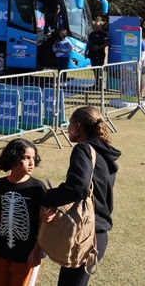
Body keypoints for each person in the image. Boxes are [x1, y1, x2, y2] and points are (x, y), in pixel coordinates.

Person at [41, 105, 121, 285]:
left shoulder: (83, 149)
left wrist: (48, 197)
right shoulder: (104, 152)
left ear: (77, 126)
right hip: (98, 234)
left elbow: (78, 187)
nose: (68, 128)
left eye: (69, 124)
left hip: (86, 234)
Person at [0, 139, 45, 286]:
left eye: (33, 158)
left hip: (27, 255)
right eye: (26, 158)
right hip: (2, 251)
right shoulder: (0, 185)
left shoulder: (38, 188)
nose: (31, 162)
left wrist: (37, 250)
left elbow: (43, 222)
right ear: (13, 157)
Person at [87, 19, 108, 87]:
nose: (96, 27)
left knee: (99, 69)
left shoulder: (103, 34)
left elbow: (107, 43)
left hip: (100, 54)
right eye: (95, 26)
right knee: (94, 69)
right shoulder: (91, 34)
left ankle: (100, 84)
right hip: (92, 54)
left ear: (100, 26)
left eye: (98, 26)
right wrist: (86, 51)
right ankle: (96, 83)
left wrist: (99, 47)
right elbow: (89, 43)